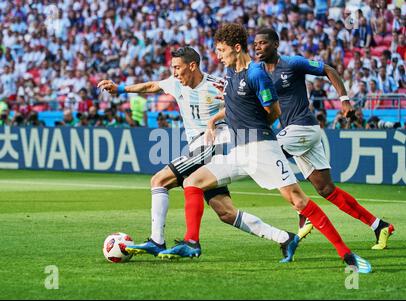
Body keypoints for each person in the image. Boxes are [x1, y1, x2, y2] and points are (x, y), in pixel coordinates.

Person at [159, 23, 371, 273]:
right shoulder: (231, 76)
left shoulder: (256, 73)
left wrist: (258, 129)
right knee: (192, 181)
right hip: (239, 151)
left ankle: (347, 255)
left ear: (237, 48)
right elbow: (239, 104)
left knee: (298, 200)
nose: (217, 55)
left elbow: (274, 111)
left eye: (221, 50)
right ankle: (192, 242)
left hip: (261, 148)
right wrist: (216, 118)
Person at [98, 47, 300, 263]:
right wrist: (120, 89)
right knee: (226, 212)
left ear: (192, 66)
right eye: (172, 68)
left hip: (214, 143)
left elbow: (243, 103)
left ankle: (157, 241)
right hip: (201, 148)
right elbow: (152, 85)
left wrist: (218, 120)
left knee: (159, 180)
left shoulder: (217, 86)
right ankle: (285, 237)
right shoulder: (176, 84)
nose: (174, 73)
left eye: (177, 68)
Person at [253, 28, 394, 249]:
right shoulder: (258, 72)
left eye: (262, 43)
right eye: (255, 44)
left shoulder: (292, 63)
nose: (257, 47)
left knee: (267, 155)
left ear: (276, 44)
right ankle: (379, 225)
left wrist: (344, 100)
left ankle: (304, 211)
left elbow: (328, 69)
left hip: (303, 127)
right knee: (327, 189)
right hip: (294, 133)